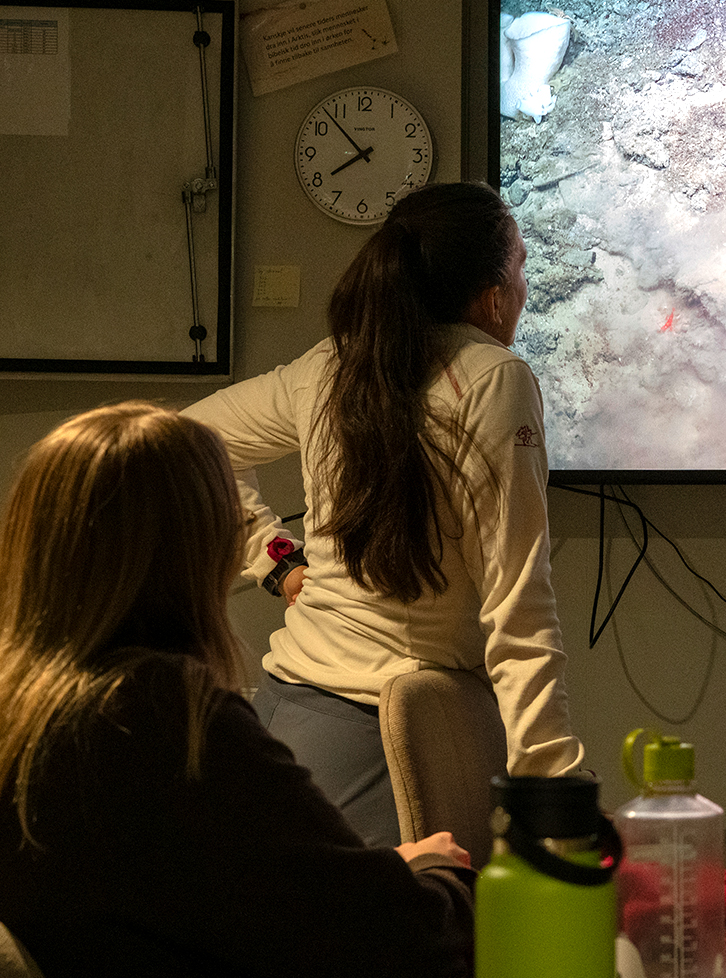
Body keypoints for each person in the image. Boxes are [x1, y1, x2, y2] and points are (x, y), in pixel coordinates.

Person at [0, 403, 476, 977]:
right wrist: (444, 878)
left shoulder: (28, 703)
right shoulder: (163, 715)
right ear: (198, 548)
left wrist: (378, 871)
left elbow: (196, 892)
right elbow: (399, 941)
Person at [185, 181, 585, 847]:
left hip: (288, 710)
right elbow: (519, 608)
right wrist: (556, 794)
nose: (521, 285)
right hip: (398, 742)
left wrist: (276, 562)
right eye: (520, 267)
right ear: (492, 296)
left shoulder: (333, 364)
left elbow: (191, 438)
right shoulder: (491, 378)